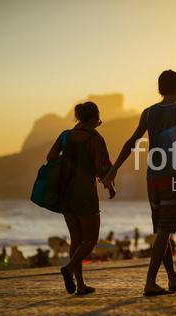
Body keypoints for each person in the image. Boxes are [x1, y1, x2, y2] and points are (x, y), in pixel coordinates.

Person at [104, 70, 176, 296]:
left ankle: (172, 278)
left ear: (160, 89)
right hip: (173, 178)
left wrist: (114, 170)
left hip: (152, 178)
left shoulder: (148, 113)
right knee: (164, 232)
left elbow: (132, 141)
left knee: (162, 232)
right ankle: (150, 282)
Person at [47, 101, 115, 295]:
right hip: (85, 193)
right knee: (91, 239)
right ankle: (68, 269)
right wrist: (110, 185)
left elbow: (50, 157)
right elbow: (102, 169)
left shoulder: (66, 136)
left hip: (66, 192)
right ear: (95, 117)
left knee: (76, 239)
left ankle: (81, 285)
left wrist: (69, 162)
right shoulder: (95, 139)